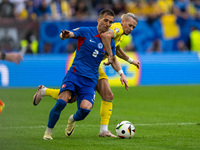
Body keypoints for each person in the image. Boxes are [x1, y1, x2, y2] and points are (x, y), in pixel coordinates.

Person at [33, 12, 140, 138]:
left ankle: (101, 130)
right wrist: (64, 36)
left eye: (134, 27)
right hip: (79, 64)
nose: (131, 29)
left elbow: (115, 50)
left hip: (93, 68)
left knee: (103, 96)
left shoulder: (117, 36)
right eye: (130, 25)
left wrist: (126, 66)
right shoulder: (117, 29)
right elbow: (104, 37)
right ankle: (45, 93)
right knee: (68, 99)